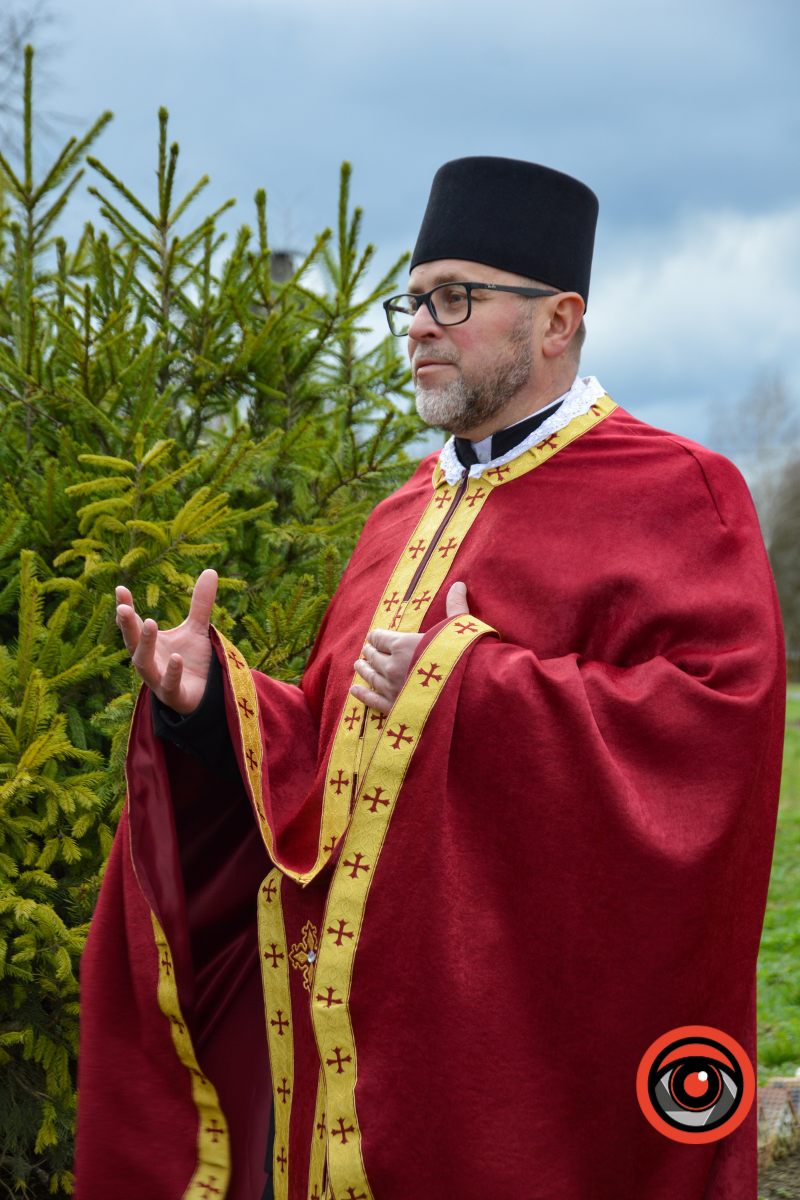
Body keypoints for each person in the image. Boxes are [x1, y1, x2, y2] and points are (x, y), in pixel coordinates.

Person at [75, 158, 784, 1200]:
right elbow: (331, 749)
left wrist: (474, 682)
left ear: (556, 323)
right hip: (369, 1054)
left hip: (517, 1058)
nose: (417, 325)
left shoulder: (680, 491)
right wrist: (205, 706)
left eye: (454, 297)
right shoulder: (398, 514)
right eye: (410, 299)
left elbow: (710, 738)